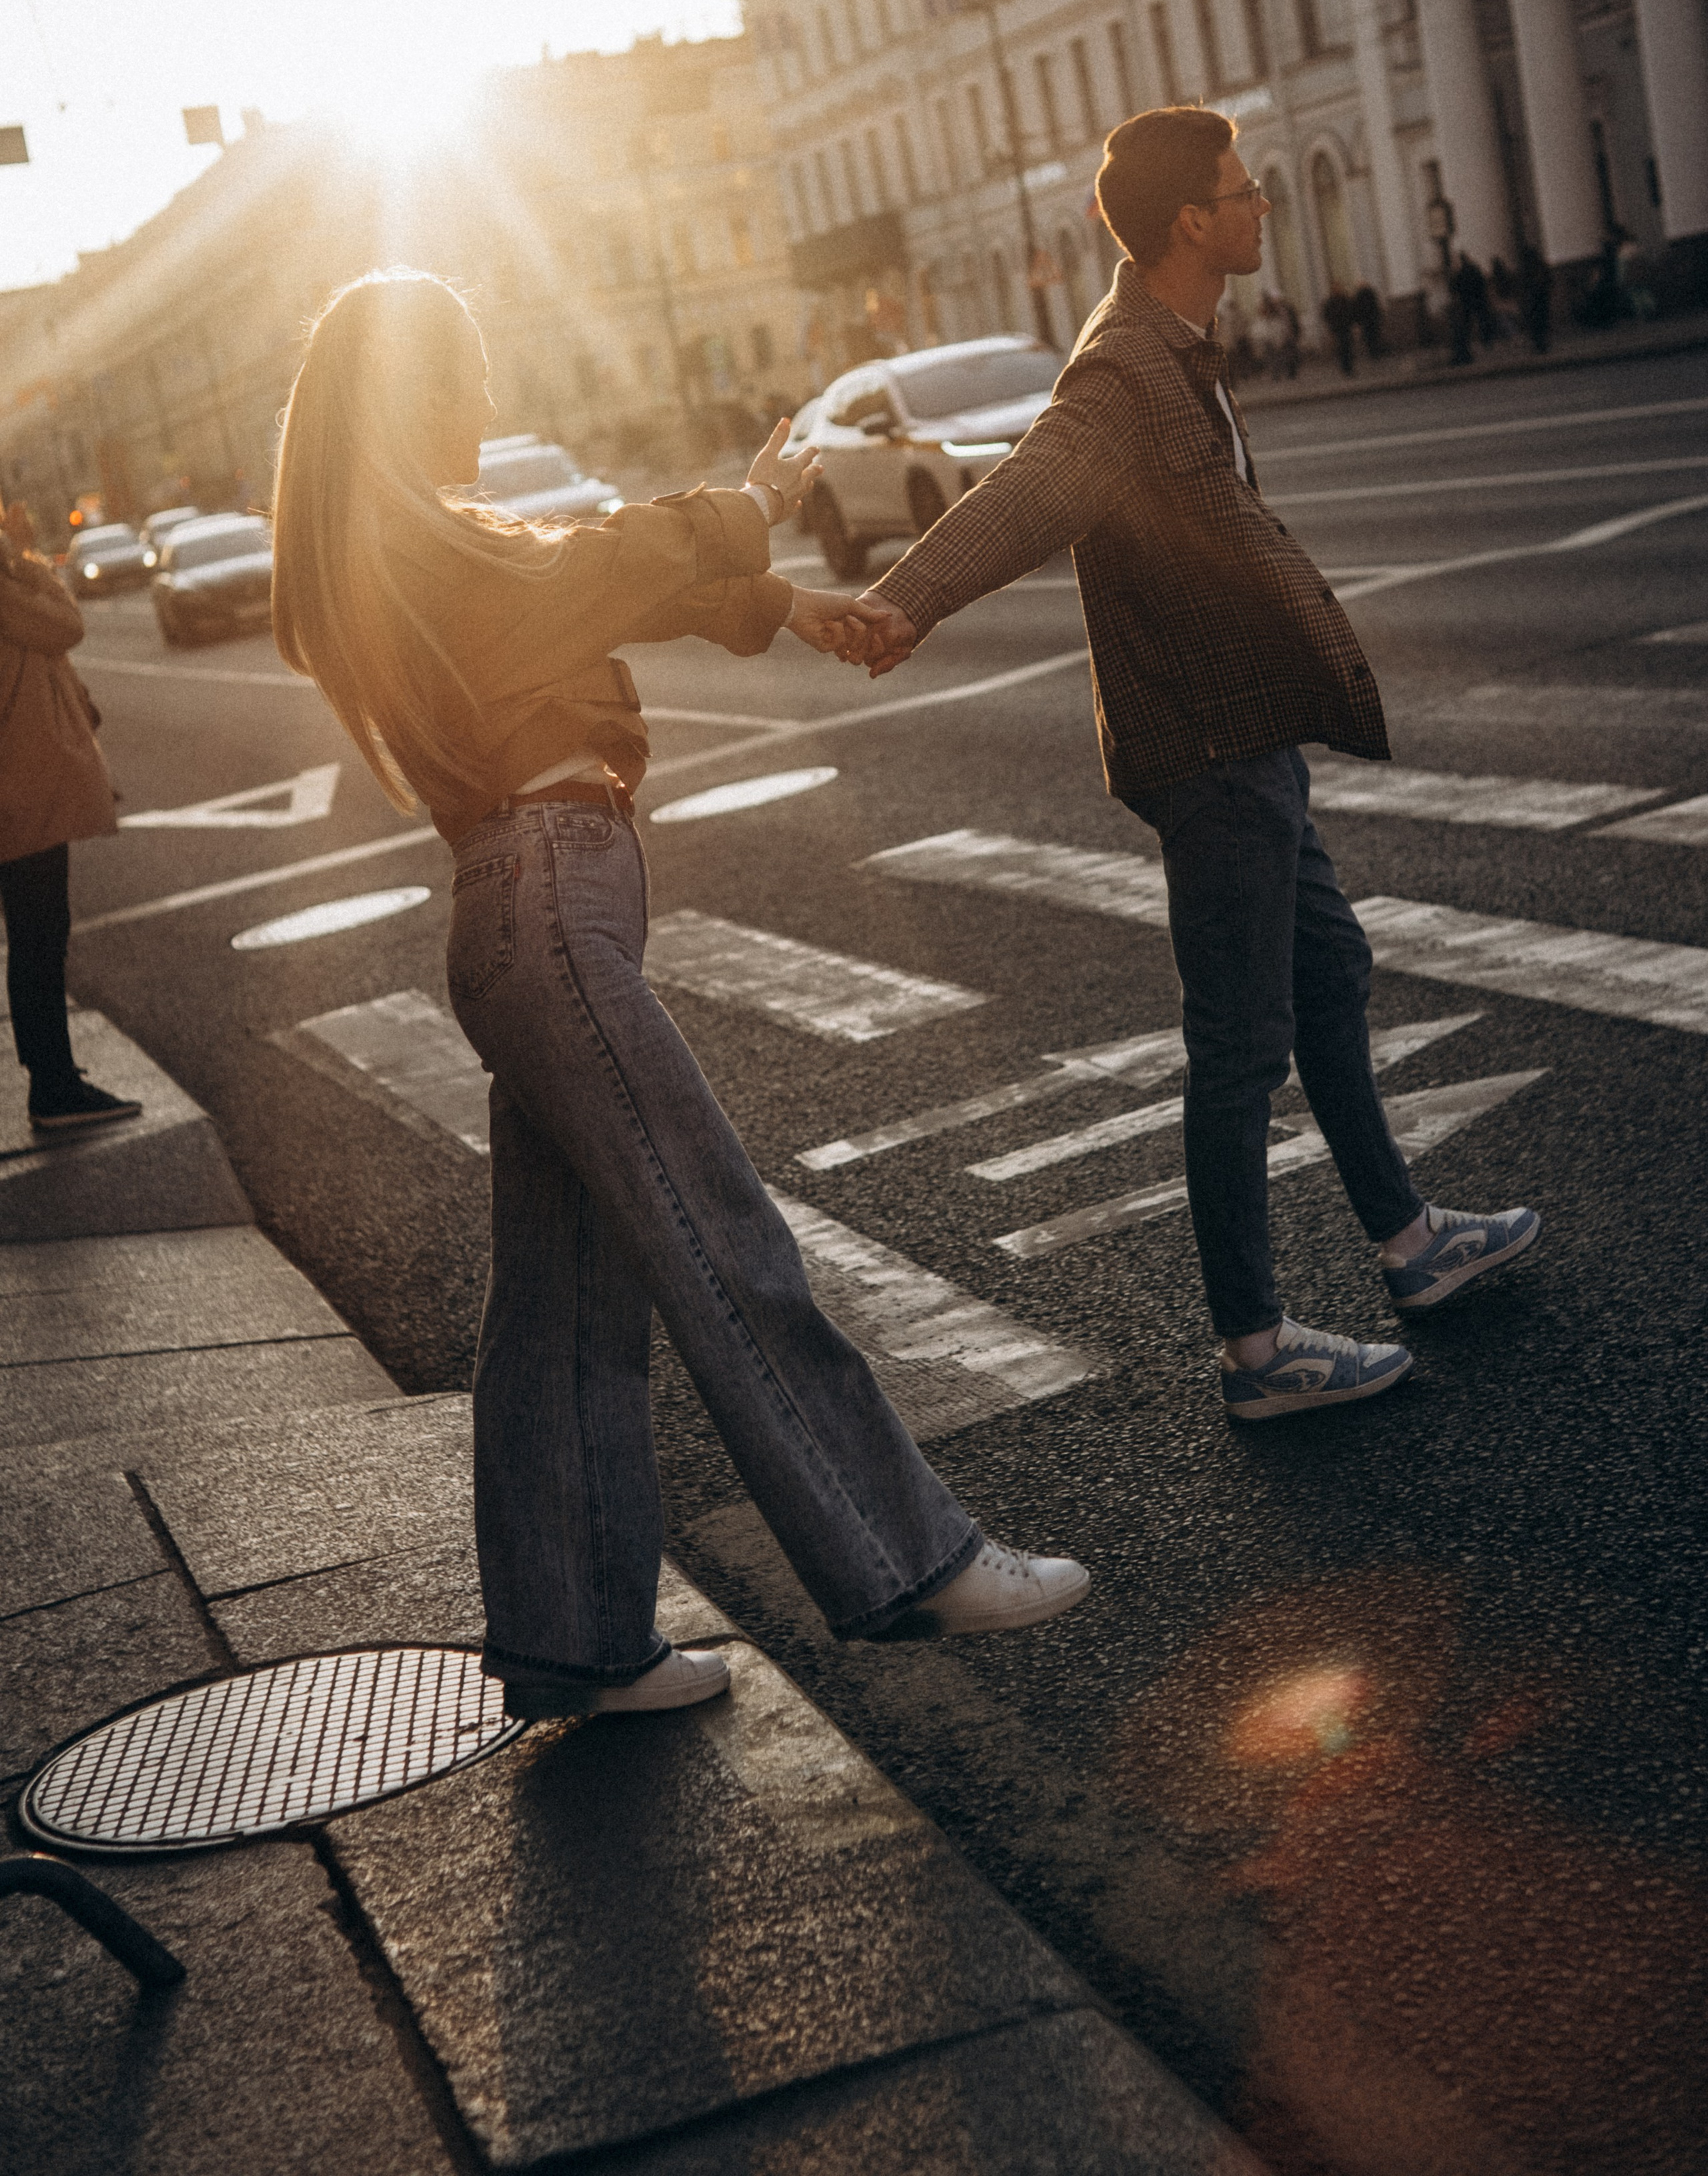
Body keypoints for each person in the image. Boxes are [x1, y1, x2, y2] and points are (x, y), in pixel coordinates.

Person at [270, 272, 1088, 1724]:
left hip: (527, 916)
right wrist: (752, 506)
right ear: (408, 392)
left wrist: (784, 604)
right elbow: (585, 574)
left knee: (564, 1306)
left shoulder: (408, 545)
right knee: (722, 1241)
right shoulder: (417, 547)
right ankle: (910, 1558)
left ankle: (574, 1640)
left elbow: (574, 581)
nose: (484, 401)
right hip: (549, 907)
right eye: (463, 373)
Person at [849, 109, 1540, 1424]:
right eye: (1241, 190)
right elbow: (1030, 487)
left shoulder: (1175, 348)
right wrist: (904, 601)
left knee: (1328, 971)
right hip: (1209, 747)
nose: (1259, 203)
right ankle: (1254, 1347)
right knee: (1236, 1044)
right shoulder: (1121, 377)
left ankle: (1407, 1243)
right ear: (1189, 224)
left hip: (1244, 732)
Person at [0, 526, 141, 1130]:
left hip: (20, 785)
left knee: (35, 937)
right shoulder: (9, 591)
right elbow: (65, 625)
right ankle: (54, 1087)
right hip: (20, 790)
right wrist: (28, 564)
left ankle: (52, 1075)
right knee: (39, 937)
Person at [1322, 283, 1357, 376]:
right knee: (1341, 349)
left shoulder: (1345, 299)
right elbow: (1326, 315)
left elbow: (1351, 311)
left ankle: (1350, 367)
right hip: (1337, 329)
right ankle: (1345, 368)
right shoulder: (1330, 302)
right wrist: (1331, 326)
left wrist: (1352, 323)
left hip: (1346, 327)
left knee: (1348, 348)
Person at [1350, 282, 1385, 363]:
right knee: (1374, 336)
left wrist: (1358, 320)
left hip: (1366, 320)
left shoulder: (1359, 296)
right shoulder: (1369, 294)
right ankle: (1375, 352)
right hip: (1371, 319)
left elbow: (1357, 309)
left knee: (1370, 337)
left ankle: (1373, 352)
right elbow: (1375, 306)